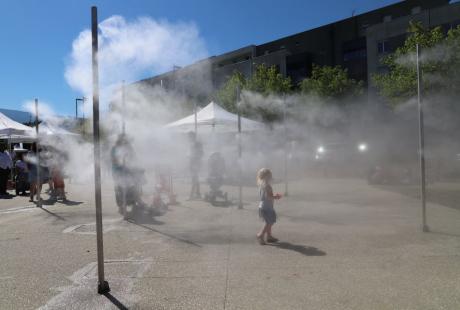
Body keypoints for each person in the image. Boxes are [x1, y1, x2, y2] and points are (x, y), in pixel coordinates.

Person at [256, 168, 282, 245]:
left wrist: (273, 196)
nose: (271, 177)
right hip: (267, 207)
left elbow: (265, 196)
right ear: (266, 177)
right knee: (268, 223)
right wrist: (275, 197)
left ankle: (269, 236)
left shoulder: (262, 185)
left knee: (269, 222)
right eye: (270, 176)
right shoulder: (267, 186)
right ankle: (260, 235)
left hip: (264, 206)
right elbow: (268, 197)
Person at [188, 132, 203, 200]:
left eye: (190, 136)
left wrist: (195, 158)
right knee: (196, 178)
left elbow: (201, 153)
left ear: (193, 136)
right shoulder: (192, 144)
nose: (189, 138)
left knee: (194, 178)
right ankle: (198, 193)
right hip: (193, 162)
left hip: (196, 163)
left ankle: (191, 195)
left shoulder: (197, 144)